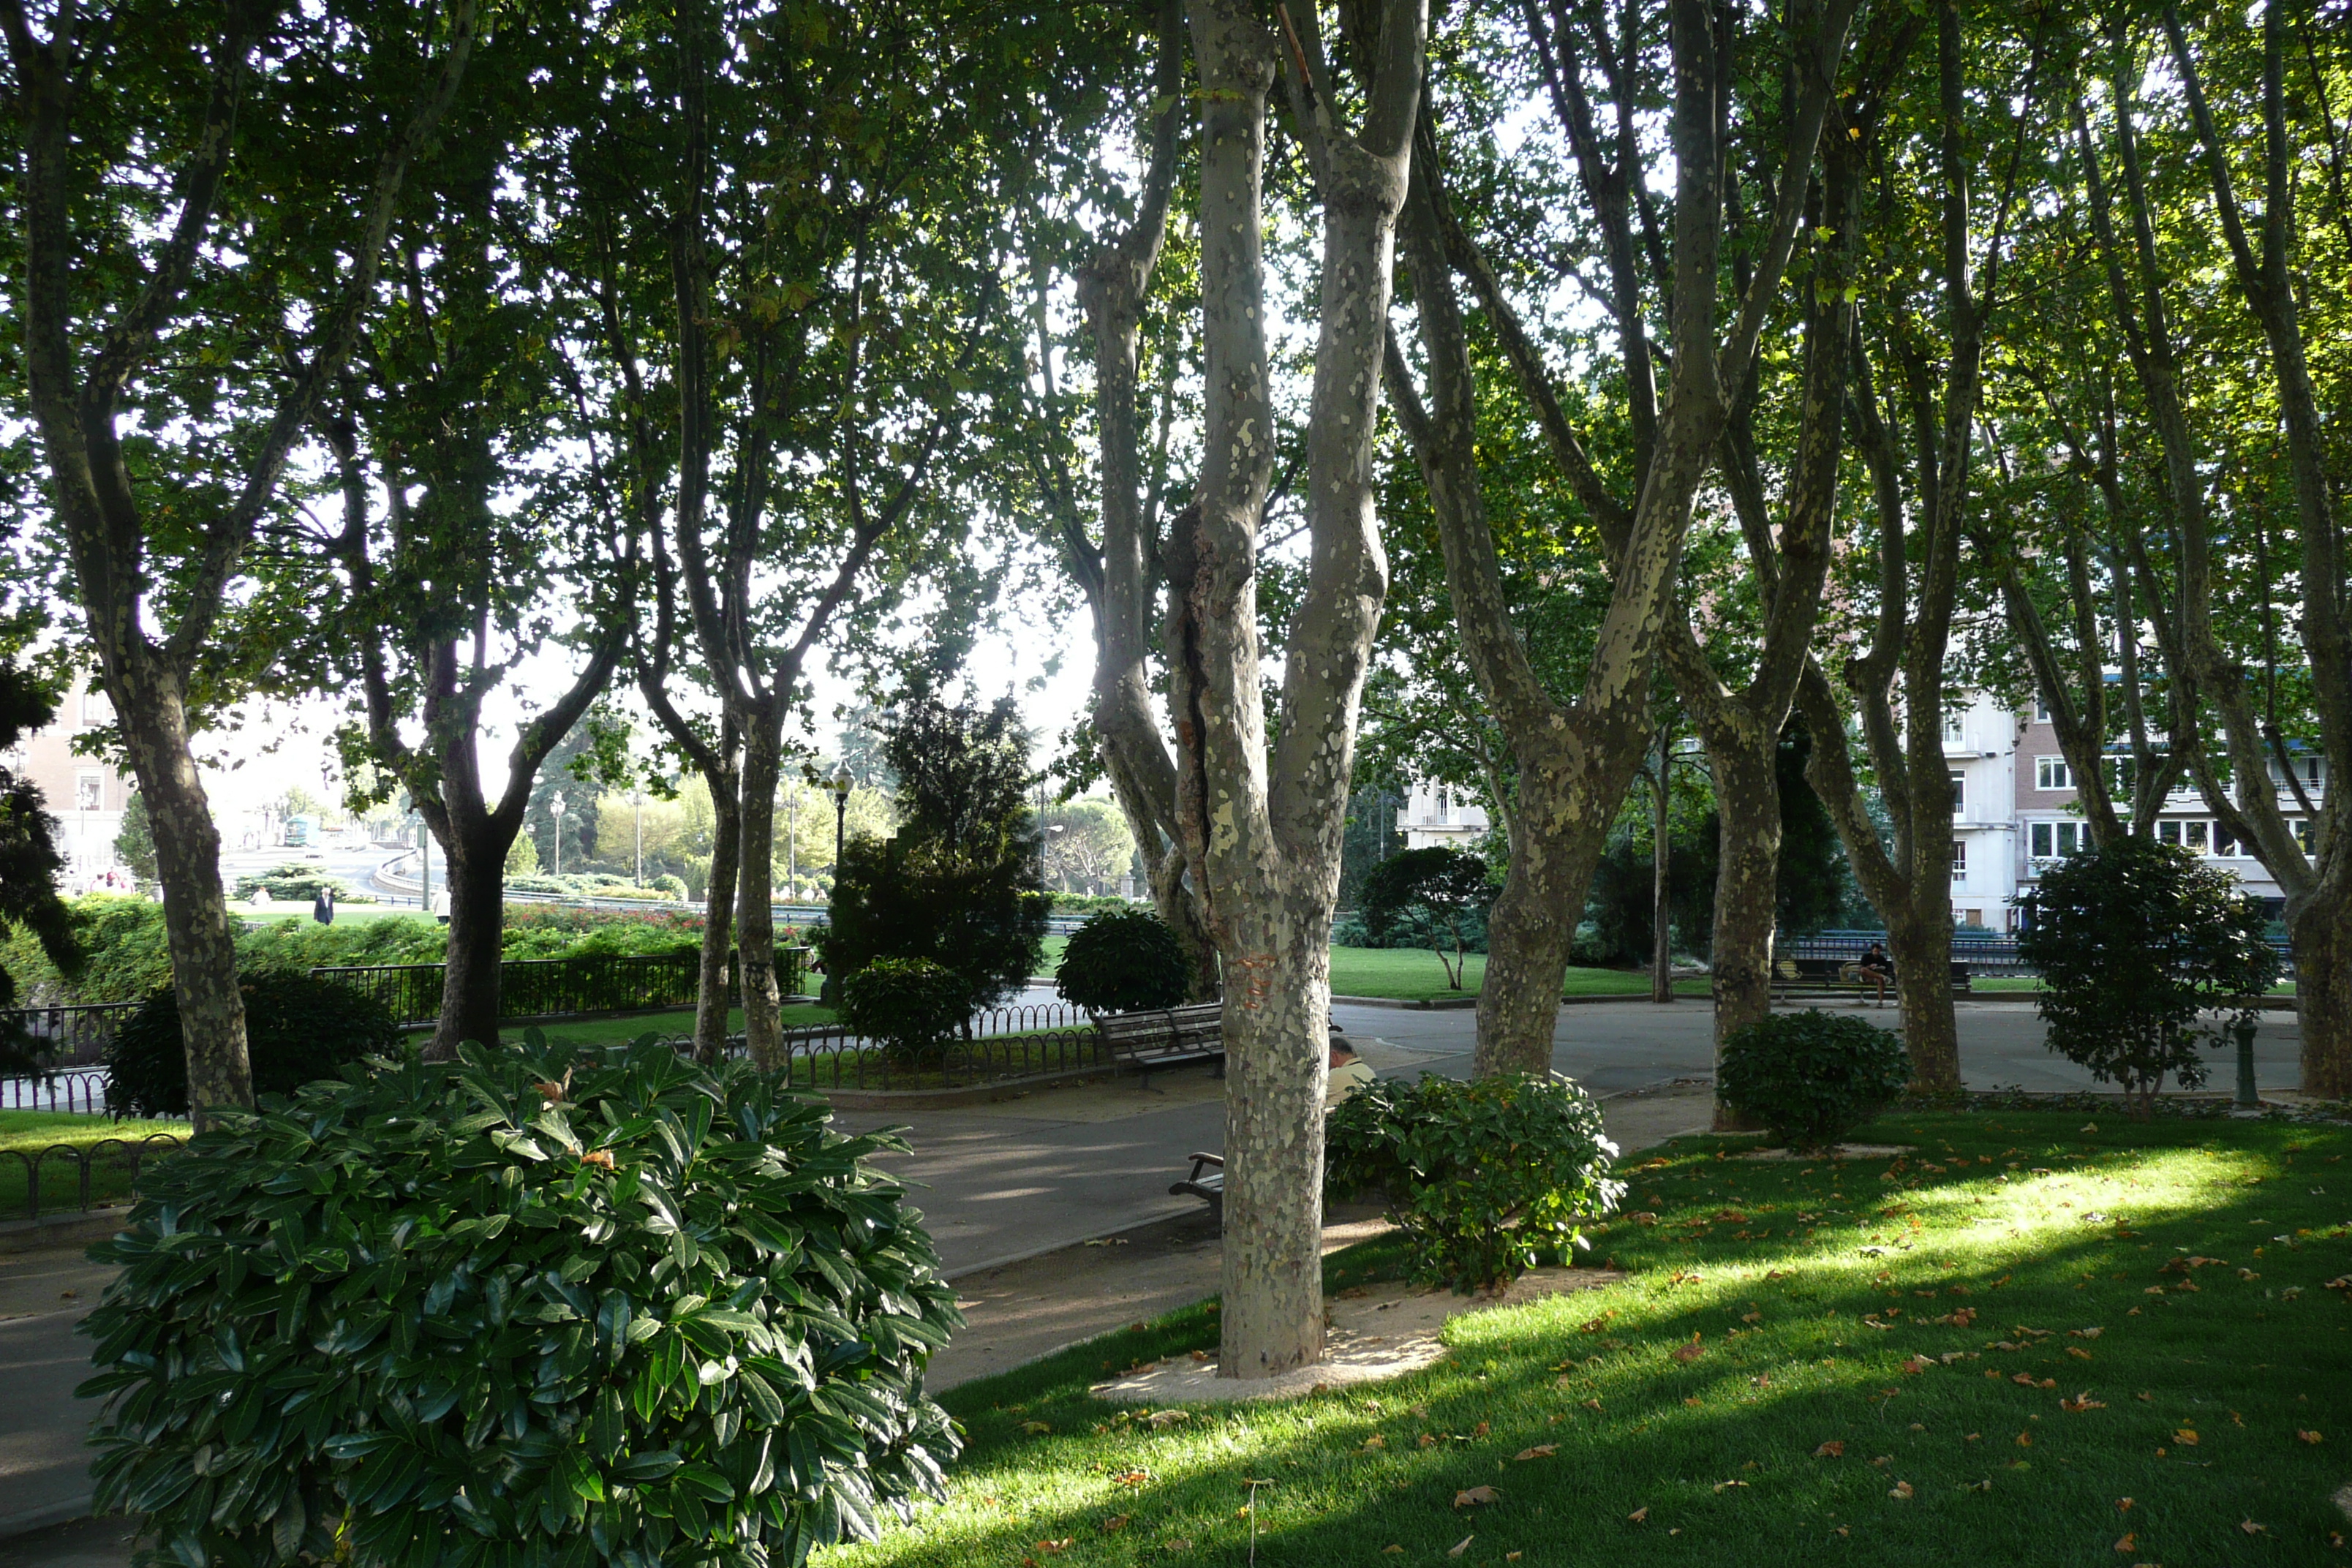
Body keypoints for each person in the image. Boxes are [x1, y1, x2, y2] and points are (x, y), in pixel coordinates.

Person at [1328, 1038, 1376, 1106]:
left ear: (1334, 1056)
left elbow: (1309, 1095)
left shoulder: (1335, 1074)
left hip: (1338, 1115)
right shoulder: (1368, 1070)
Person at [1855, 941, 1893, 1007]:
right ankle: (1882, 977)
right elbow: (1861, 968)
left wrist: (1880, 969)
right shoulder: (1866, 957)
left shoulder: (1882, 959)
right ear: (1872, 950)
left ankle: (1880, 1002)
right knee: (1863, 970)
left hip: (1876, 977)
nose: (1876, 953)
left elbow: (1886, 969)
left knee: (1880, 980)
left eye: (1878, 952)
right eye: (1875, 952)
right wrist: (1870, 966)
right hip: (1866, 976)